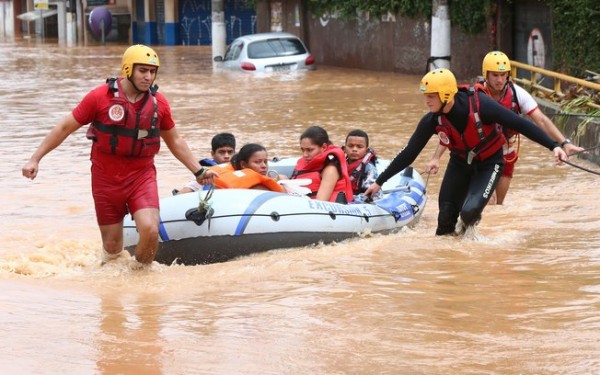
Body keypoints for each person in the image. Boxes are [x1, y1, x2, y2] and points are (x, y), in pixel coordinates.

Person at [21, 44, 217, 267]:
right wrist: (35, 158)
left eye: (152, 72)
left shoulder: (158, 103)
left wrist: (198, 170)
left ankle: (140, 278)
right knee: (113, 247)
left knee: (151, 230)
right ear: (127, 69)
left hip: (141, 176)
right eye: (143, 70)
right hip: (106, 179)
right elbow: (65, 127)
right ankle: (112, 289)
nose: (148, 77)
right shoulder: (99, 97)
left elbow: (175, 140)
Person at [364, 68, 567, 235]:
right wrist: (379, 182)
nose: (426, 101)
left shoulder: (481, 105)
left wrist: (554, 146)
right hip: (460, 164)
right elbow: (409, 152)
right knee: (445, 218)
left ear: (445, 95)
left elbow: (521, 124)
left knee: (469, 213)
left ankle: (470, 230)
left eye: (430, 96)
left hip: (489, 164)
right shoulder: (432, 120)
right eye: (426, 96)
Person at [426, 51, 584, 205]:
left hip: (506, 156)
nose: (500, 80)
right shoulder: (472, 96)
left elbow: (541, 120)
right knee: (489, 201)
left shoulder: (518, 94)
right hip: (481, 157)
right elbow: (453, 130)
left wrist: (564, 143)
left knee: (498, 205)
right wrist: (436, 157)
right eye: (495, 75)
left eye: (503, 75)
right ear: (486, 74)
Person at [290, 125, 354, 203]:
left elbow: (320, 202)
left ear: (323, 147)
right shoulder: (306, 163)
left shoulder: (330, 170)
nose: (305, 155)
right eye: (303, 150)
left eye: (309, 150)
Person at [214, 143, 285, 192]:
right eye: (257, 162)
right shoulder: (260, 188)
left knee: (282, 177)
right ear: (243, 165)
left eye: (265, 161)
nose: (264, 166)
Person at [343, 129, 380, 202]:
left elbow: (374, 195)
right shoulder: (338, 165)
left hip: (357, 203)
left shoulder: (369, 168)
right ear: (344, 149)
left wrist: (350, 200)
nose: (354, 149)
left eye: (359, 147)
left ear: (366, 150)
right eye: (350, 146)